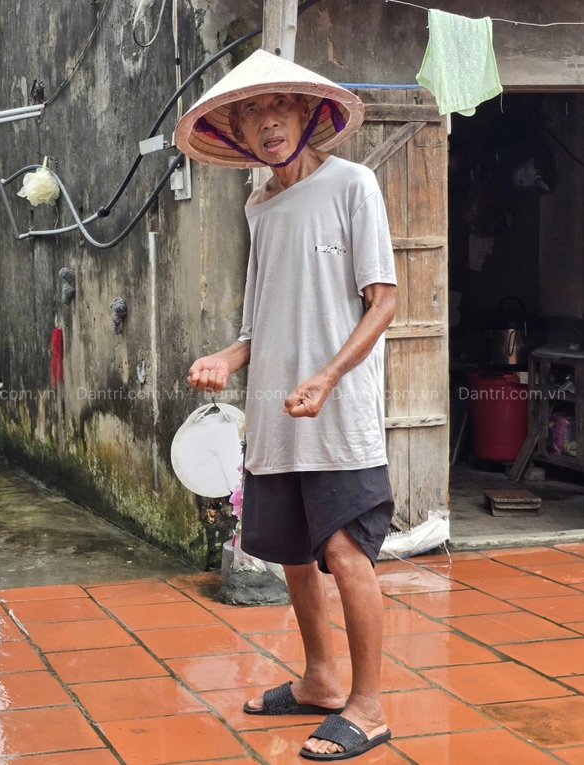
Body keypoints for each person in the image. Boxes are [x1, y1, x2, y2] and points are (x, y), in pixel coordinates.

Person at [176, 50, 396, 761]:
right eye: (248, 115)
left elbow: (384, 301)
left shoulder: (352, 184)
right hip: (276, 413)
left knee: (343, 549)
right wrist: (224, 358)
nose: (265, 123)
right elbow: (256, 324)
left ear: (307, 114)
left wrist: (328, 377)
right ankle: (322, 680)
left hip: (337, 413)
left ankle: (368, 705)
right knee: (296, 558)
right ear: (238, 135)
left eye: (277, 109)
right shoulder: (259, 204)